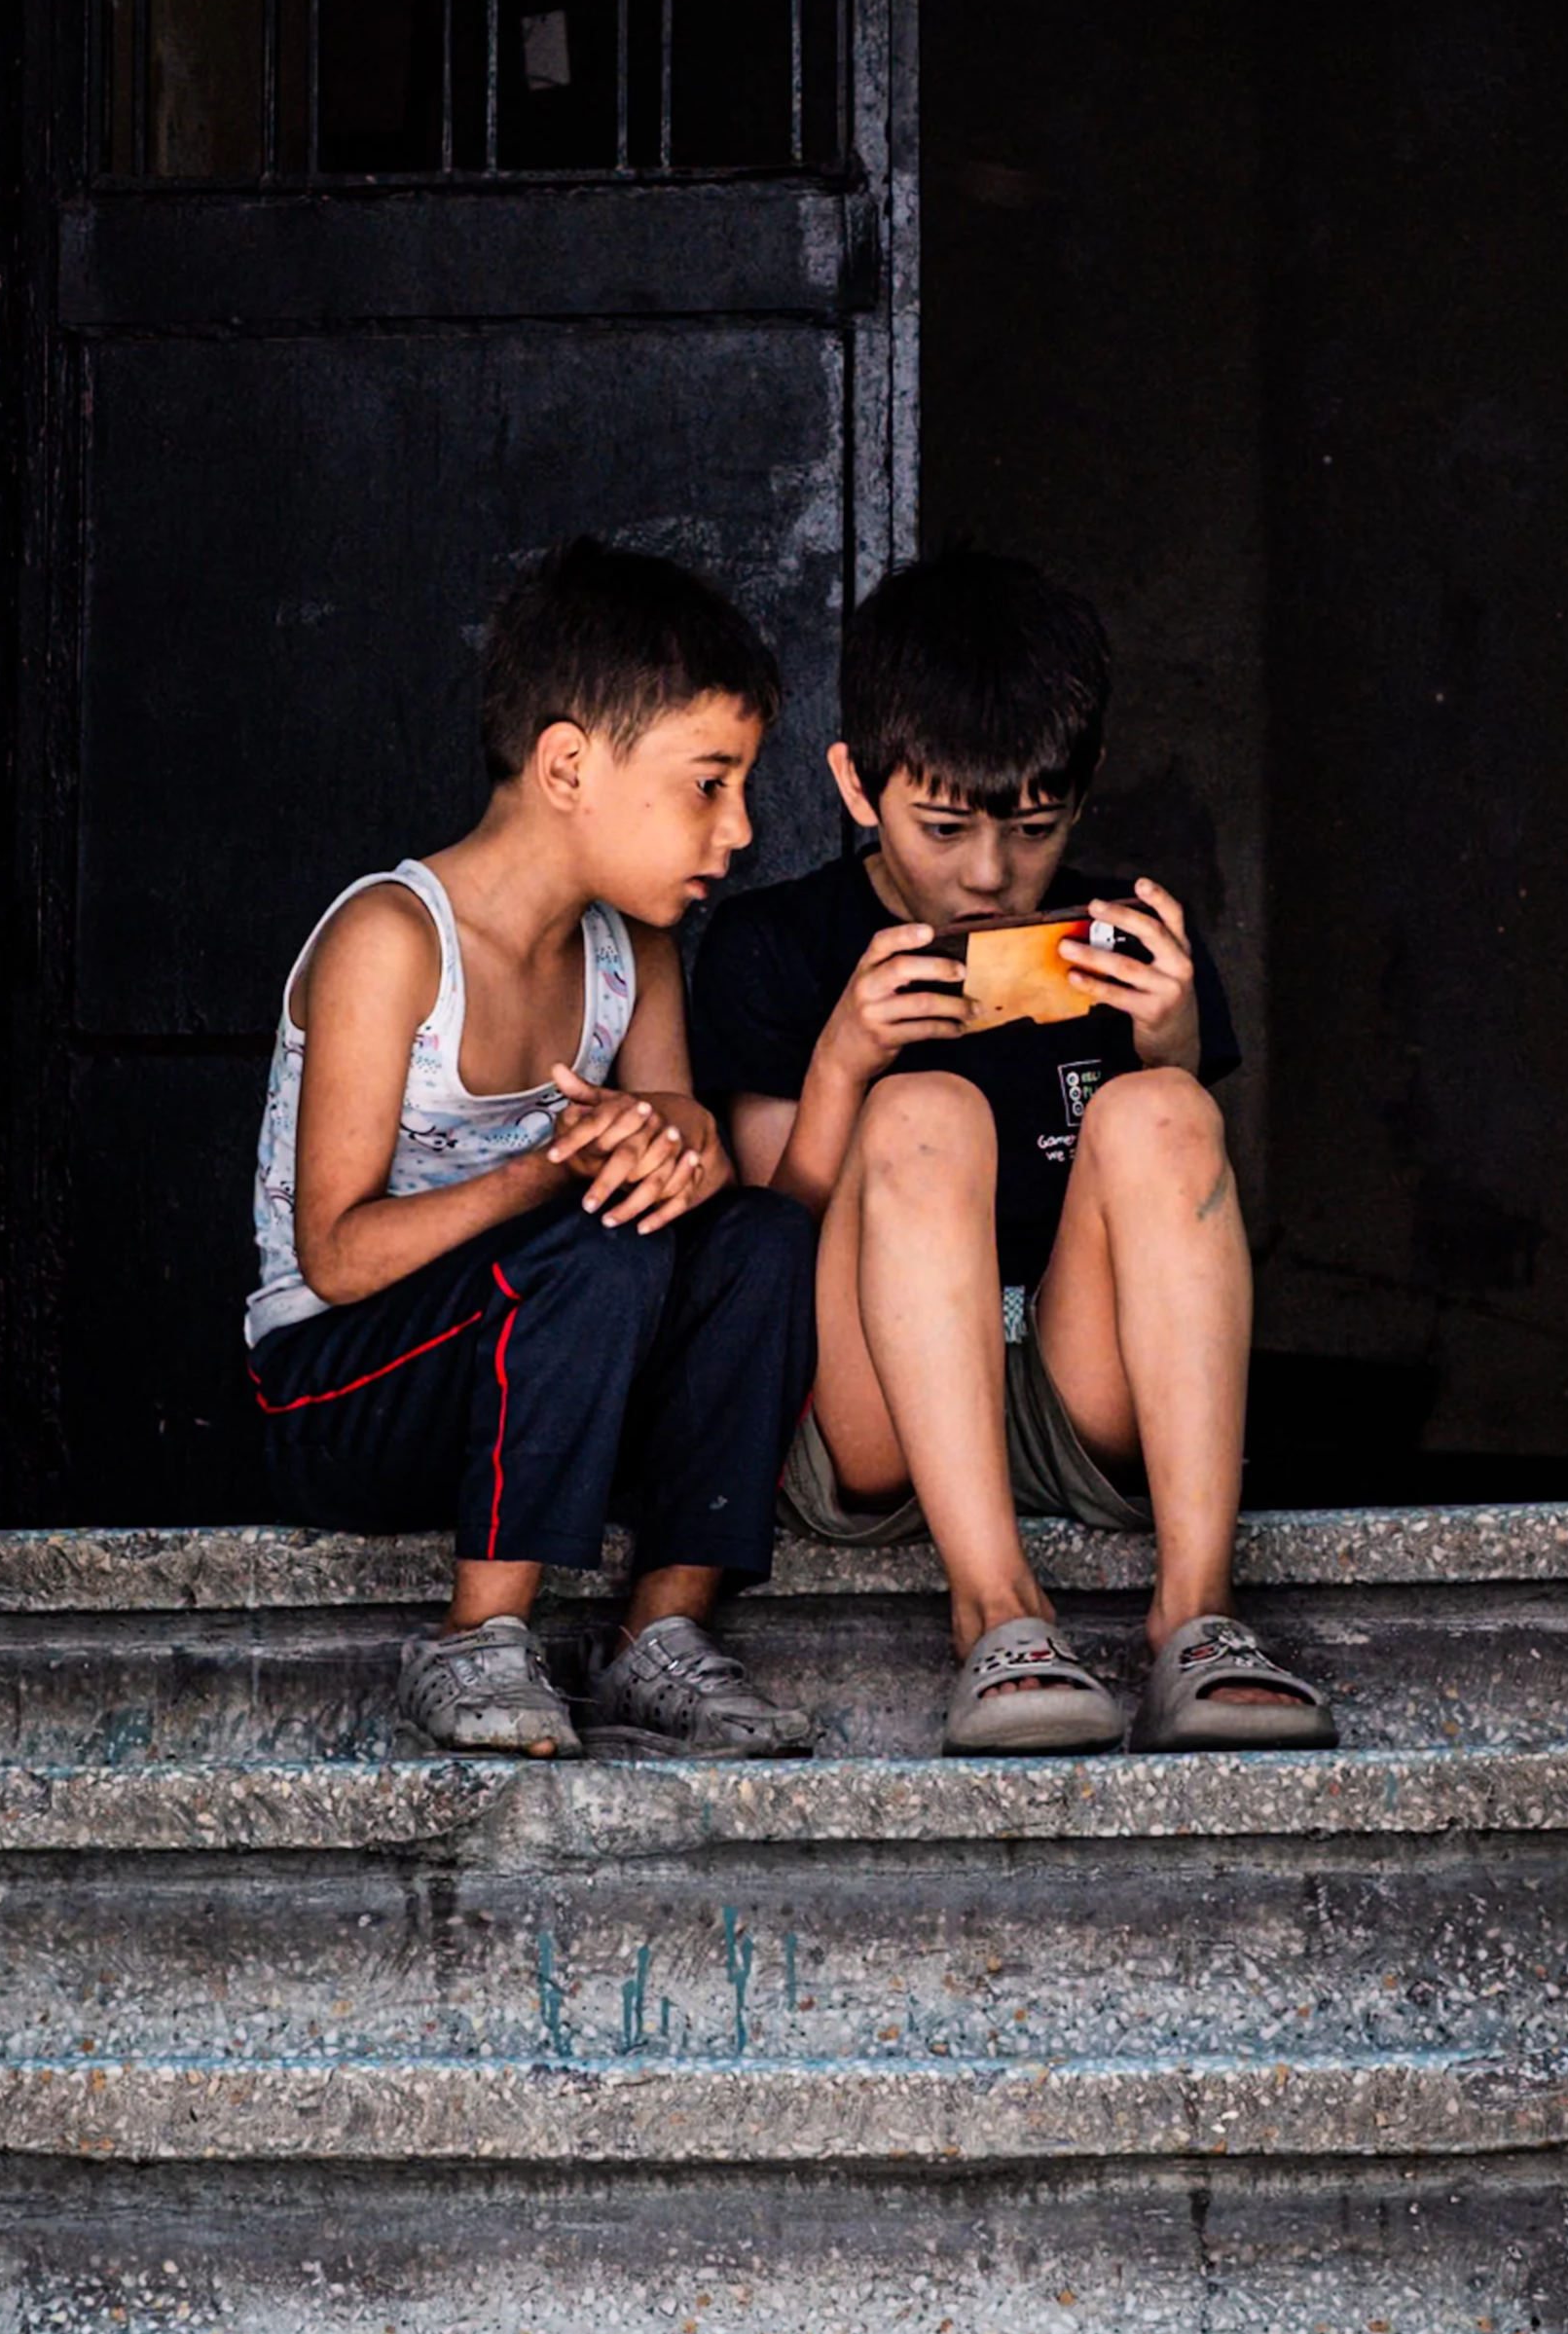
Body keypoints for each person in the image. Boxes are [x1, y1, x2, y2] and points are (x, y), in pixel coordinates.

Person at [689, 547, 1334, 1755]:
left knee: (1163, 1114)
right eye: (942, 826)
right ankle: (996, 1607)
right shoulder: (774, 944)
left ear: (1081, 792)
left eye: (1033, 827)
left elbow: (1182, 1213)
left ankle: (1195, 1611)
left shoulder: (1120, 937)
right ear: (852, 782)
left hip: (1073, 1388)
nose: (987, 874)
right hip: (867, 1410)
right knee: (920, 1109)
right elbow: (760, 1253)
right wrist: (837, 1064)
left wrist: (1172, 1046)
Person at [244, 539, 818, 1761]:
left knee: (761, 1236)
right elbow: (337, 1257)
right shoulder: (393, 939)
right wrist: (552, 1168)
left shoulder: (633, 949)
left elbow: (690, 1153)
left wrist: (676, 1141)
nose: (741, 828)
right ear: (567, 763)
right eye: (708, 783)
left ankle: (657, 1636)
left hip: (534, 1376)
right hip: (340, 1394)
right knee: (590, 1250)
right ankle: (476, 1636)